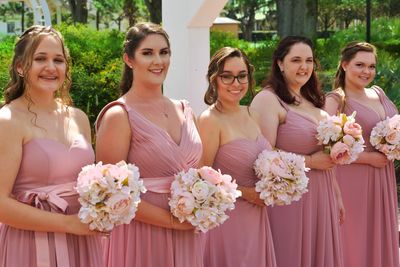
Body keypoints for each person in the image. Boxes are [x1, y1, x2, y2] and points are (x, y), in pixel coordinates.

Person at [95, 22, 204, 267]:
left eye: (164, 52)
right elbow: (111, 193)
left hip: (188, 235)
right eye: (148, 53)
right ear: (129, 59)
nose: (158, 61)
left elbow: (200, 175)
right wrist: (174, 221)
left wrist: (208, 204)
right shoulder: (119, 115)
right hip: (140, 237)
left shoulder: (186, 110)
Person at [0, 25, 103, 267]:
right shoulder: (7, 121)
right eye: (40, 59)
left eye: (58, 60)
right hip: (32, 245)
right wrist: (68, 224)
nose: (51, 67)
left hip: (82, 243)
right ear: (20, 67)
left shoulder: (78, 117)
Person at [251, 36, 344, 267]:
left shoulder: (312, 100)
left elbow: (327, 156)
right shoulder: (268, 100)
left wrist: (337, 195)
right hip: (289, 198)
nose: (304, 66)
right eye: (296, 60)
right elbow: (264, 154)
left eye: (309, 60)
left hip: (322, 194)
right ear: (280, 63)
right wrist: (311, 161)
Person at [198, 47, 276, 267]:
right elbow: (202, 179)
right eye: (227, 76)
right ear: (214, 79)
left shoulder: (252, 114)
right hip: (226, 220)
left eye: (242, 76)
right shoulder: (210, 120)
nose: (236, 83)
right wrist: (248, 193)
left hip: (257, 218)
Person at [325, 42, 399, 267]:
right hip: (351, 180)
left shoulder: (378, 92)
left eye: (371, 66)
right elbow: (323, 145)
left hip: (383, 177)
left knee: (379, 233)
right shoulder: (336, 99)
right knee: (353, 237)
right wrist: (368, 158)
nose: (367, 71)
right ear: (345, 65)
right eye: (359, 65)